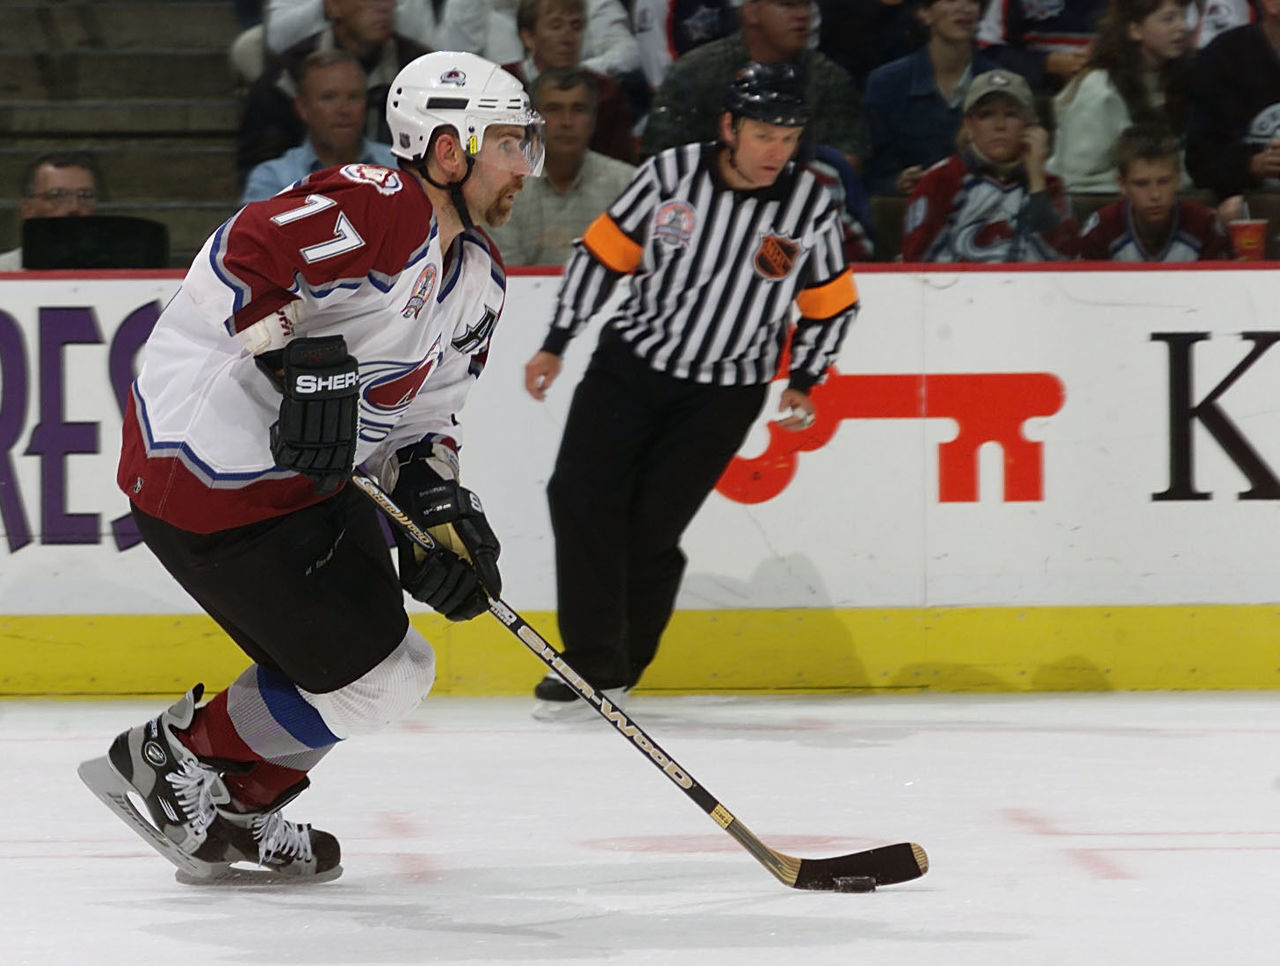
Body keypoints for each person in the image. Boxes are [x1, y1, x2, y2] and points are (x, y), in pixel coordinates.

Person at [77, 51, 545, 882]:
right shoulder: (380, 204)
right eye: (510, 143)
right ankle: (171, 756)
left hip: (304, 484)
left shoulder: (479, 279)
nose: (524, 166)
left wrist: (438, 505)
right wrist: (298, 361)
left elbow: (428, 417)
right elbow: (243, 256)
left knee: (392, 677)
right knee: (366, 675)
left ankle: (231, 806)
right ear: (447, 149)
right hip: (209, 479)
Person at [522, 63, 857, 718]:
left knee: (650, 529)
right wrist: (558, 340)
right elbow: (603, 254)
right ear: (729, 127)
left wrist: (806, 379)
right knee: (579, 495)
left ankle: (624, 664)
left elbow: (830, 304)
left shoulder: (811, 205)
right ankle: (590, 663)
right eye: (764, 135)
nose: (776, 152)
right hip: (632, 365)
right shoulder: (669, 176)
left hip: (723, 394)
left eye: (789, 139)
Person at [642, 0, 867, 168]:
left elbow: (848, 161)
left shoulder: (829, 78)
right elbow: (658, 155)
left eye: (806, 6)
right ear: (751, 11)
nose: (802, 15)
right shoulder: (694, 71)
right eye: (787, 5)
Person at [236, 0, 429, 180]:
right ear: (333, 6)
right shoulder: (287, 77)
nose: (384, 7)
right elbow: (259, 165)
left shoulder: (422, 72)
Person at [901, 68, 1078, 261]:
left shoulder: (1050, 185)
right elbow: (917, 264)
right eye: (986, 115)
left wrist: (1036, 181)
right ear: (968, 126)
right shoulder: (940, 181)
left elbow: (1064, 260)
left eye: (1011, 114)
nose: (999, 125)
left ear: (1029, 125)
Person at [487, 68, 636, 265]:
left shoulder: (627, 184)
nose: (567, 122)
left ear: (593, 120)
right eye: (554, 109)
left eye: (578, 110)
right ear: (531, 123)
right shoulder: (502, 185)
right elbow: (506, 275)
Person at [1047, 0, 1194, 194]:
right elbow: (1077, 178)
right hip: (1093, 207)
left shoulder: (1186, 80)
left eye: (1183, 16)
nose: (1183, 27)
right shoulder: (1099, 89)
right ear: (1135, 30)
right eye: (1169, 19)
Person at [863, 0, 1001, 196]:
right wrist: (897, 183)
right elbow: (873, 173)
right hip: (907, 212)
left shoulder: (1000, 83)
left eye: (972, 1)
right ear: (924, 12)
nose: (964, 7)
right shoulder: (886, 83)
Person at [242, 50, 398, 202]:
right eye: (329, 97)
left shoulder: (399, 170)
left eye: (354, 97)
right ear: (302, 107)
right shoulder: (273, 179)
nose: (343, 110)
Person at [501, 0, 637, 163]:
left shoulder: (606, 94)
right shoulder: (499, 87)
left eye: (576, 27)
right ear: (528, 37)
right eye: (556, 26)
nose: (568, 38)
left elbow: (620, 167)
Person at [1078, 123, 1231, 260]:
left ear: (1178, 178)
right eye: (1141, 184)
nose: (1155, 195)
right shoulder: (1102, 229)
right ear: (1122, 184)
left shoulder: (1204, 225)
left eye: (1164, 181)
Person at [1184, 0, 1280, 200]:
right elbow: (1200, 162)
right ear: (1272, 4)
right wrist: (1252, 165)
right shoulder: (1223, 57)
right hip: (1247, 208)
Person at [975, 0, 1107, 92]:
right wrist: (1046, 63)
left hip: (1111, 85)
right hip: (1036, 93)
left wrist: (1105, 55)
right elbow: (987, 49)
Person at [0, 153, 99, 271]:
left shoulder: (119, 271)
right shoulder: (4, 271)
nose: (74, 208)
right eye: (57, 195)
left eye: (85, 196)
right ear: (28, 209)